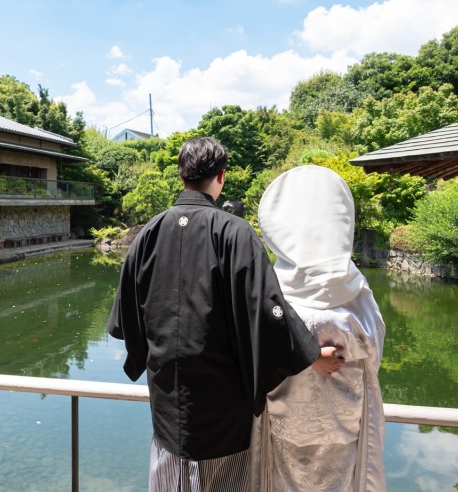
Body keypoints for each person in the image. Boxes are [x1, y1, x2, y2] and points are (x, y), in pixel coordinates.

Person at [107, 137, 343, 491]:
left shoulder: (149, 233)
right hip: (221, 401)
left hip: (166, 397)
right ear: (221, 176)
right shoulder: (235, 232)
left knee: (170, 479)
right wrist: (312, 356)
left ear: (181, 176)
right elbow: (267, 310)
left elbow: (126, 316)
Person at [251, 165, 387, 491]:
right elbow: (373, 349)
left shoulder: (272, 286)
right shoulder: (353, 286)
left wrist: (304, 353)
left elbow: (258, 350)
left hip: (285, 417)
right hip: (343, 421)